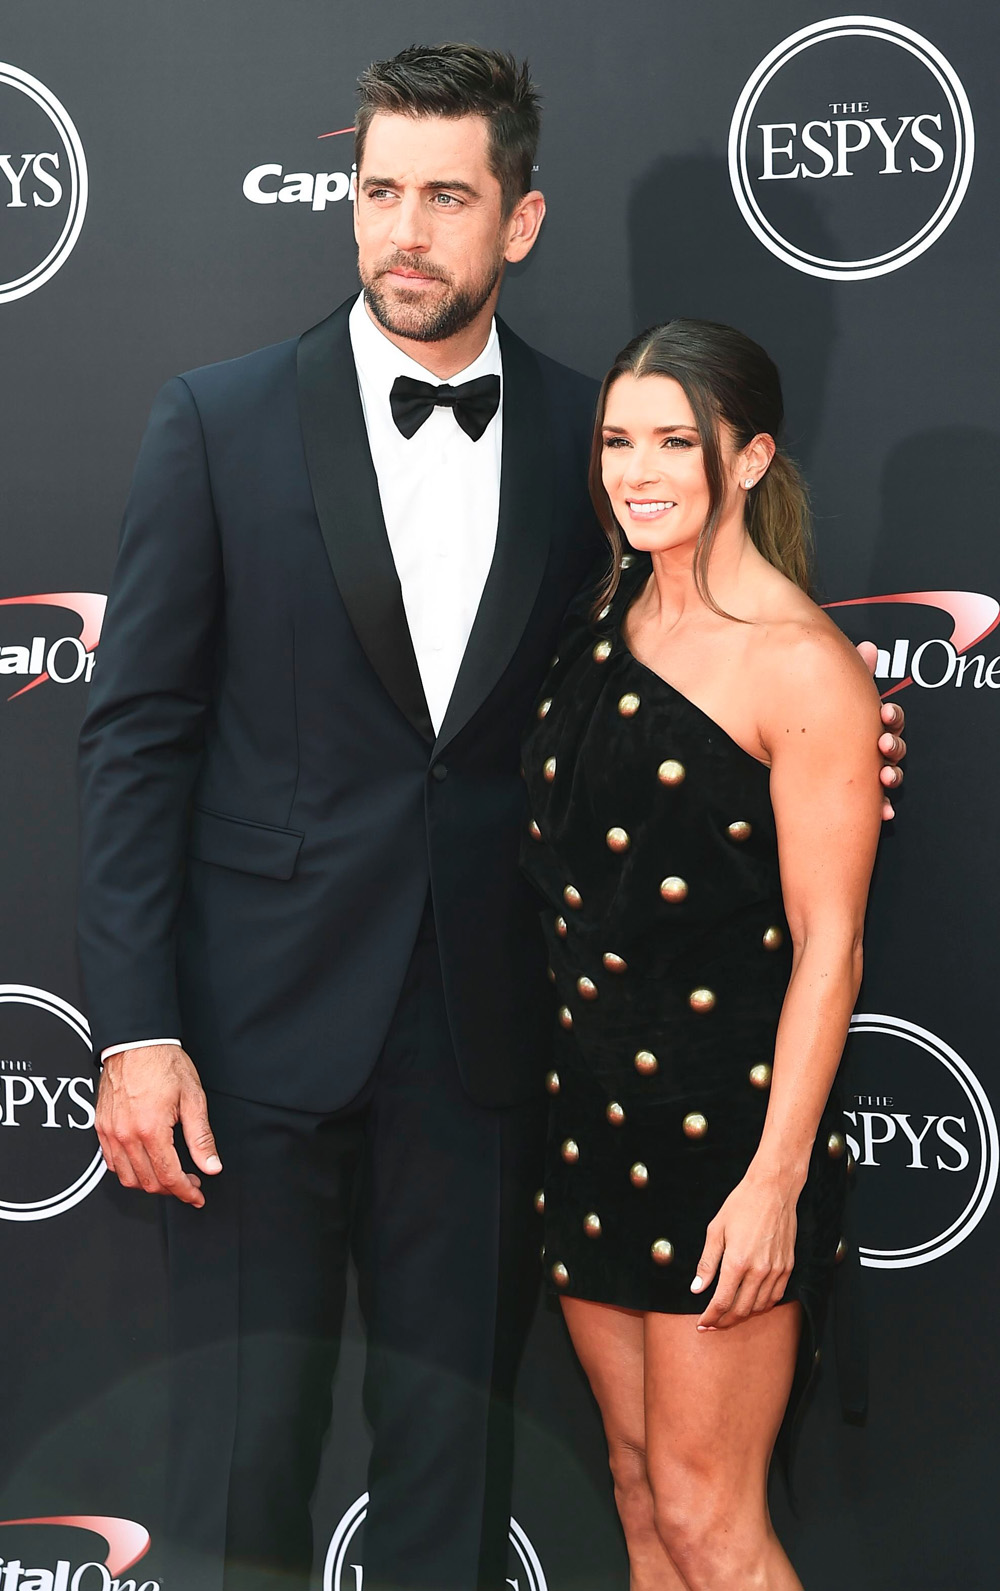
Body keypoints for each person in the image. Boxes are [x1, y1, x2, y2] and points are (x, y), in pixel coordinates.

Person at [77, 44, 904, 1591]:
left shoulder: (606, 443)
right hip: (249, 1044)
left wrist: (853, 742)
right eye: (379, 191)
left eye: (446, 197)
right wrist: (133, 1025)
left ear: (516, 223)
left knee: (451, 1473)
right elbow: (134, 737)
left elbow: (704, 673)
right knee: (238, 1466)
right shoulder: (219, 417)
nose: (405, 229)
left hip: (496, 1044)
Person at [521, 319, 884, 1591]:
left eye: (675, 438)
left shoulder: (804, 667)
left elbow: (830, 952)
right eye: (619, 439)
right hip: (592, 1124)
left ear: (750, 458)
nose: (638, 468)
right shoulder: (603, 611)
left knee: (709, 1516)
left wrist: (774, 1178)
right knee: (636, 1491)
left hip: (724, 1142)